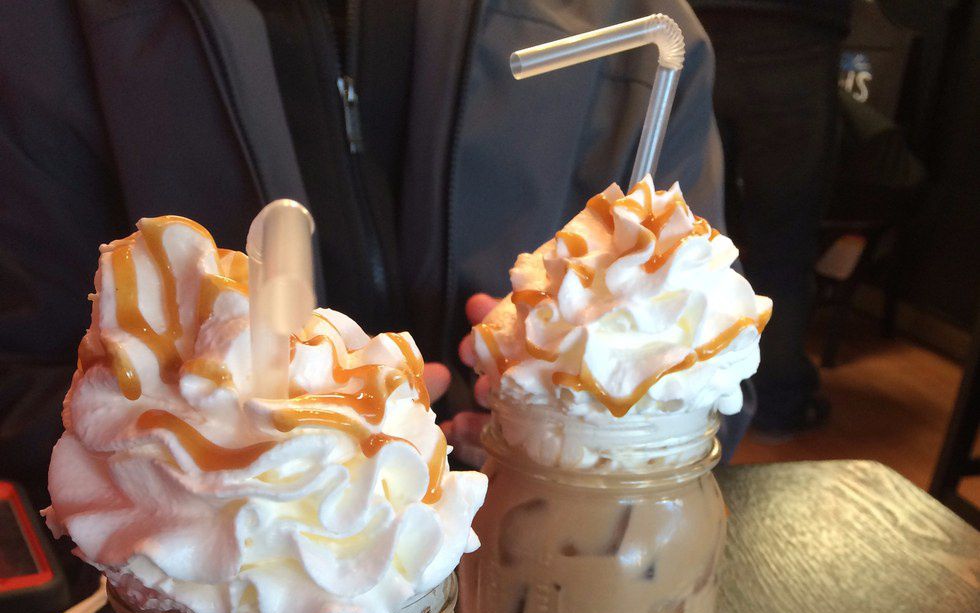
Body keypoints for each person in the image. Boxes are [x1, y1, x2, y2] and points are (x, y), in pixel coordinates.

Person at [1, 0, 728, 507]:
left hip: (560, 565)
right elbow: (22, 387)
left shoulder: (632, 26)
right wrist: (208, 458)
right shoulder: (43, 34)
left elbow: (720, 364)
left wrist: (589, 424)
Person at [692, 0, 851, 436]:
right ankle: (776, 402)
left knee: (686, 236)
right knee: (784, 241)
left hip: (692, 24)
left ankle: (681, 398)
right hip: (795, 32)